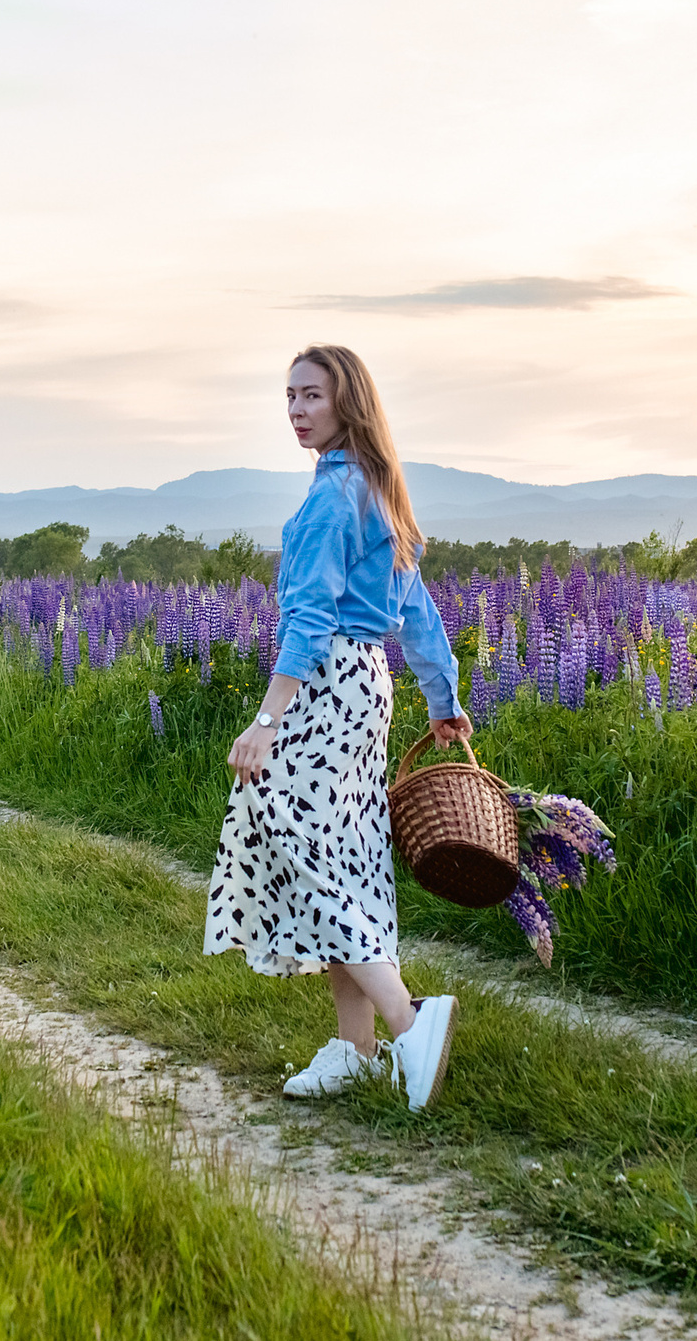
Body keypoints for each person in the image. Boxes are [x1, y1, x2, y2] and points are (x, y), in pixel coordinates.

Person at [202, 343, 471, 1110]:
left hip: (324, 684)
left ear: (346, 401)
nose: (295, 411)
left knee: (287, 828)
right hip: (368, 687)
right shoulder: (380, 491)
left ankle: (408, 1018)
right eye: (288, 397)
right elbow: (416, 612)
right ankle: (356, 1051)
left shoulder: (333, 498)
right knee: (347, 851)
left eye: (311, 396)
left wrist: (264, 721)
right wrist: (442, 697)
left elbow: (310, 617)